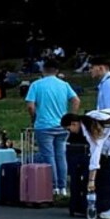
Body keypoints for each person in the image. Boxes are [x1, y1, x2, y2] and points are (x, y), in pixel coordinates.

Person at [62, 111, 110, 219]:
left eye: (68, 129)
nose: (70, 132)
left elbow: (95, 155)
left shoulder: (90, 129)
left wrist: (91, 180)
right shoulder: (92, 116)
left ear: (74, 124)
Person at [25, 59, 80, 196]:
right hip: (61, 125)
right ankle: (62, 187)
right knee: (61, 156)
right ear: (57, 71)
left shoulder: (36, 85)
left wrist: (34, 118)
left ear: (43, 70)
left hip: (44, 125)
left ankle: (53, 186)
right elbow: (76, 100)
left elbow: (30, 106)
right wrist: (71, 117)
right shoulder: (64, 85)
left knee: (48, 156)